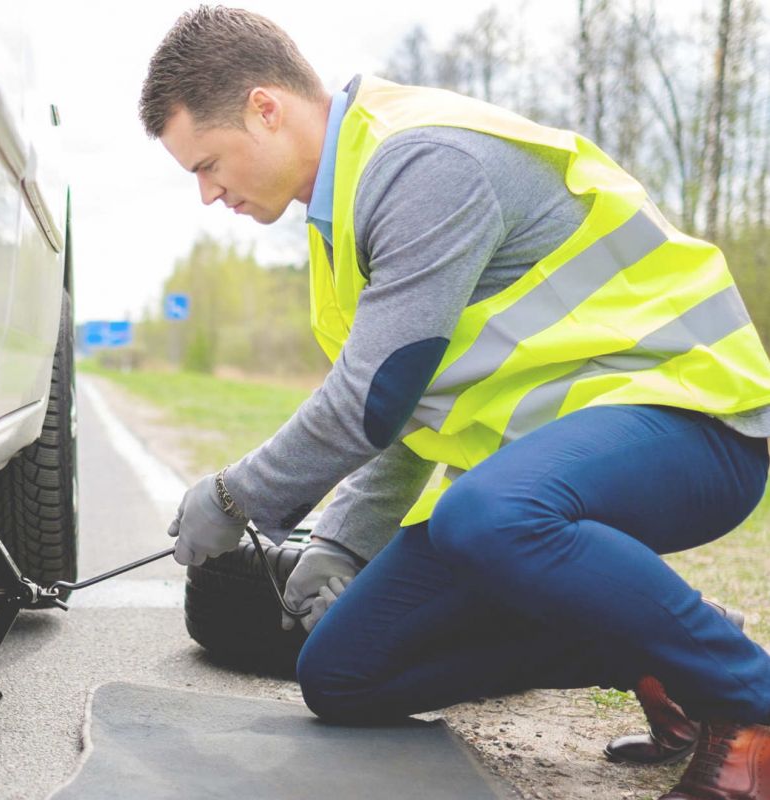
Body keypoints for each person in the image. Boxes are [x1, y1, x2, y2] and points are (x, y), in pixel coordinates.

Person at [144, 6, 770, 798]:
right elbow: (408, 410)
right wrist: (341, 540)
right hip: (546, 475)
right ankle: (663, 648)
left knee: (483, 515)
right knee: (341, 672)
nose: (207, 194)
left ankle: (751, 701)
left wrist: (238, 496)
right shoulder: (336, 221)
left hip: (694, 420)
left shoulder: (422, 162)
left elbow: (373, 393)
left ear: (265, 109)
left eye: (207, 163)